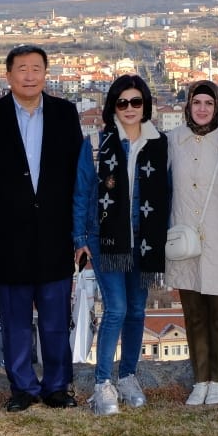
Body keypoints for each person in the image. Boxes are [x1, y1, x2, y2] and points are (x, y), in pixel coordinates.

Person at [0, 44, 86, 411]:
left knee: (55, 320)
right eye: (22, 69)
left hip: (55, 233)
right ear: (8, 76)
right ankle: (22, 388)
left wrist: (79, 233)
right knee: (14, 320)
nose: (30, 75)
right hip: (6, 235)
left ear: (46, 74)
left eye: (36, 68)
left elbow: (78, 177)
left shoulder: (65, 113)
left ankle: (57, 387)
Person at [75, 74, 171, 415]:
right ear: (113, 107)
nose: (130, 108)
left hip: (144, 239)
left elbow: (167, 194)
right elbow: (82, 192)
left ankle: (128, 376)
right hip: (106, 238)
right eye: (122, 102)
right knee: (115, 309)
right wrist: (79, 238)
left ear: (145, 105)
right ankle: (102, 383)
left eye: (136, 102)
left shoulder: (159, 143)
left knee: (136, 311)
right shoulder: (96, 143)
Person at [165, 80, 218, 406]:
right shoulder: (173, 140)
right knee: (194, 314)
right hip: (184, 239)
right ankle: (201, 379)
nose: (202, 109)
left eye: (208, 103)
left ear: (217, 107)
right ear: (188, 106)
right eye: (196, 102)